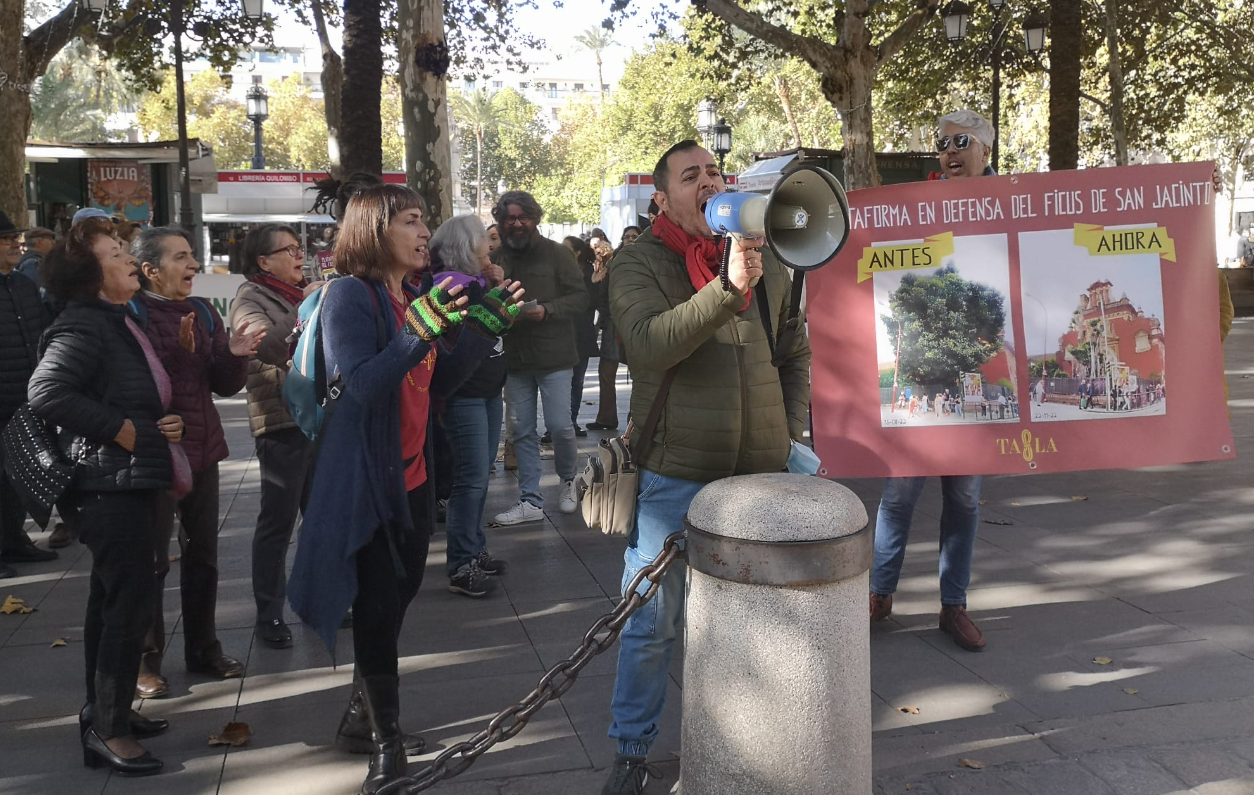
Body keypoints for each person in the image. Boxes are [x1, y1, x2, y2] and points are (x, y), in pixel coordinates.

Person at [285, 184, 521, 795]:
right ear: (374, 230)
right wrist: (419, 329)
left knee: (402, 593)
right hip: (365, 478)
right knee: (377, 608)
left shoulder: (412, 294)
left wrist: (483, 326)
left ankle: (365, 711)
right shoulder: (348, 296)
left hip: (414, 474)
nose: (425, 233)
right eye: (413, 221)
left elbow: (436, 379)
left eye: (425, 220)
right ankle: (384, 744)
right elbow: (362, 385)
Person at [600, 140, 811, 795]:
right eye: (691, 176)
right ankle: (632, 753)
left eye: (714, 172)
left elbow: (794, 350)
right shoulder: (638, 264)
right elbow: (649, 345)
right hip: (675, 477)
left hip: (761, 475)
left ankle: (747, 744)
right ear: (662, 197)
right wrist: (727, 291)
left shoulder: (764, 261)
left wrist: (790, 426)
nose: (708, 182)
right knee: (652, 624)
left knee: (761, 625)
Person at [30, 217, 184, 776]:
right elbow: (47, 392)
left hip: (124, 478)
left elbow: (122, 390)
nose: (127, 258)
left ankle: (107, 712)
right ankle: (110, 730)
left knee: (113, 602)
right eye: (115, 253)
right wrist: (121, 429)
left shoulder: (114, 320)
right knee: (127, 607)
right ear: (91, 274)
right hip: (104, 486)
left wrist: (153, 424)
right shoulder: (84, 326)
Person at [869, 109, 998, 654]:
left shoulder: (1016, 200)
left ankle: (954, 605)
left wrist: (1188, 196)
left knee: (963, 499)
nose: (948, 151)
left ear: (985, 150)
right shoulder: (912, 207)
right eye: (942, 144)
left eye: (960, 142)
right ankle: (878, 595)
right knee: (899, 493)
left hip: (973, 367)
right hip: (921, 366)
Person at [130, 227, 263, 698]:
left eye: (192, 257)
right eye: (181, 257)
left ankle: (204, 648)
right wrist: (180, 357)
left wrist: (235, 355)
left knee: (203, 555)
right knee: (151, 562)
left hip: (203, 449)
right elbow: (137, 385)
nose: (192, 266)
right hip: (154, 454)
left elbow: (222, 385)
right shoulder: (132, 314)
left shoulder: (205, 310)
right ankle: (145, 661)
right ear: (150, 270)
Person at [231, 223, 321, 650]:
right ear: (263, 261)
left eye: (298, 248)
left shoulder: (303, 291)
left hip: (321, 416)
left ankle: (320, 600)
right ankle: (269, 613)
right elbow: (267, 344)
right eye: (287, 250)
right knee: (278, 522)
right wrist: (311, 312)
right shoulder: (250, 297)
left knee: (320, 516)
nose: (297, 255)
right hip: (282, 420)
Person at [489, 191, 588, 525]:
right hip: (515, 359)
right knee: (522, 431)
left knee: (561, 426)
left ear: (535, 218)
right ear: (500, 222)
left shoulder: (558, 254)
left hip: (555, 356)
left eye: (523, 217)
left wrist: (546, 310)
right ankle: (530, 500)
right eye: (509, 219)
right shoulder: (495, 258)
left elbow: (580, 299)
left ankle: (568, 480)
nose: (516, 224)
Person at [429, 215, 510, 598]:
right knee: (471, 480)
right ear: (466, 247)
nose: (488, 247)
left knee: (479, 478)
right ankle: (462, 564)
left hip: (488, 391)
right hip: (465, 394)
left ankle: (474, 551)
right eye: (482, 240)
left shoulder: (477, 283)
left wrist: (494, 286)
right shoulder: (453, 288)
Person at [0, 211, 56, 579]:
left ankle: (13, 540)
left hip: (22, 397)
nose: (15, 245)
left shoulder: (21, 284)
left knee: (15, 476)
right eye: (5, 241)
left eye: (15, 239)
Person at [563, 236, 599, 438]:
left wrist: (592, 283)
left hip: (581, 334)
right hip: (562, 332)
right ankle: (557, 425)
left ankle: (572, 421)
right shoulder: (557, 271)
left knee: (576, 381)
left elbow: (590, 303)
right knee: (562, 381)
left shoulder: (590, 273)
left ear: (577, 253)